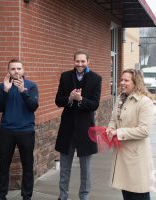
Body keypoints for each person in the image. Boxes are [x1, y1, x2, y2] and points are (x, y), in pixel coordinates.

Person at [55, 49, 102, 200]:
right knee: (64, 168)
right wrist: (69, 98)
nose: (80, 64)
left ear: (88, 62)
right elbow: (58, 101)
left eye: (83, 61)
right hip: (67, 128)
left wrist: (80, 99)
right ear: (73, 61)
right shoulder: (65, 76)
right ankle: (62, 196)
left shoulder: (96, 79)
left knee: (86, 169)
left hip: (86, 129)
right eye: (77, 61)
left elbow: (94, 104)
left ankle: (84, 197)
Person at [106, 69, 155, 200]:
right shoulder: (121, 99)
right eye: (121, 79)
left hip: (136, 159)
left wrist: (118, 132)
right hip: (122, 156)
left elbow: (145, 130)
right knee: (127, 195)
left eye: (126, 80)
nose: (122, 82)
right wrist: (110, 129)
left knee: (139, 194)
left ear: (136, 83)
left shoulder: (145, 102)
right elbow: (113, 119)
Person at [0, 59, 39, 200]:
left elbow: (33, 107)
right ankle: (1, 196)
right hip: (7, 131)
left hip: (26, 131)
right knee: (3, 165)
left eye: (19, 68)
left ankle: (26, 196)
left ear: (23, 70)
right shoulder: (2, 86)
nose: (16, 71)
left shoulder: (31, 86)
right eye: (13, 69)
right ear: (9, 71)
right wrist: (6, 91)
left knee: (27, 166)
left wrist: (22, 91)